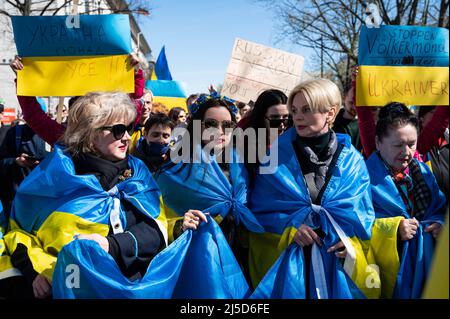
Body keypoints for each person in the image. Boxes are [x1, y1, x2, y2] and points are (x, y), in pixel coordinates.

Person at [1, 92, 167, 299]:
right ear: (89, 132)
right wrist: (36, 271)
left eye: (129, 128)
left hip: (131, 289)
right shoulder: (52, 176)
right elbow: (19, 234)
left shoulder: (139, 173)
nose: (126, 136)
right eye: (118, 130)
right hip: (67, 288)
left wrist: (112, 245)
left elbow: (157, 229)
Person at [249, 79, 379, 299]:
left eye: (307, 110)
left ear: (330, 113)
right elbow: (259, 213)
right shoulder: (274, 157)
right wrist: (290, 228)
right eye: (295, 110)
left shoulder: (353, 161)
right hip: (292, 269)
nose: (297, 116)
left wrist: (350, 243)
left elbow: (364, 216)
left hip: (337, 265)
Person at [154, 92, 263, 279]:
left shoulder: (246, 165)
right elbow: (157, 217)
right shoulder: (175, 171)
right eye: (212, 124)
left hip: (241, 258)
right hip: (200, 262)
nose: (221, 131)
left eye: (228, 125)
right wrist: (179, 225)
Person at [365, 102, 447, 299]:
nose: (407, 152)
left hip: (424, 266)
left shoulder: (424, 172)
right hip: (382, 275)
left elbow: (439, 208)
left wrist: (440, 224)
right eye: (398, 145)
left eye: (412, 144)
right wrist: (394, 229)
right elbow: (354, 225)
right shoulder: (362, 178)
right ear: (377, 142)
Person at [10, 54, 146, 148]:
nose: (126, 136)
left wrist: (134, 73)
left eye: (124, 129)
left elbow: (132, 107)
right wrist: (24, 79)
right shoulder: (66, 141)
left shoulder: (123, 137)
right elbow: (34, 116)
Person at [0, 120, 49, 215]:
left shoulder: (53, 133)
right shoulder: (13, 133)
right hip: (16, 197)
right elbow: (2, 162)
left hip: (44, 197)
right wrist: (16, 161)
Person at [239, 89, 290, 180]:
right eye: (275, 118)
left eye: (286, 117)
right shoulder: (243, 145)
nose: (282, 124)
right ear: (261, 117)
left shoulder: (293, 141)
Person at [418, 106, 449, 197]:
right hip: (429, 206)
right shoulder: (416, 144)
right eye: (434, 113)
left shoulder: (447, 141)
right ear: (421, 118)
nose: (436, 117)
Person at [332, 82, 363, 153]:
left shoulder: (366, 125)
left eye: (358, 103)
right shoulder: (332, 122)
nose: (355, 107)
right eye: (351, 103)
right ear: (344, 98)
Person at [129, 88, 154, 154]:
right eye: (141, 103)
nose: (145, 107)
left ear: (152, 104)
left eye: (148, 102)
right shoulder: (126, 125)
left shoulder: (158, 125)